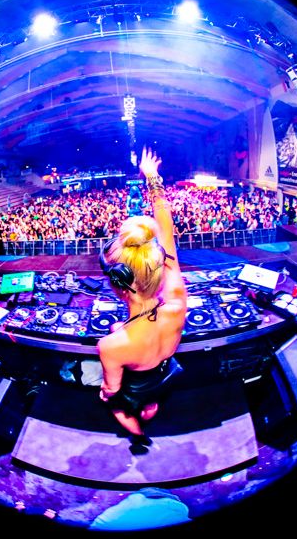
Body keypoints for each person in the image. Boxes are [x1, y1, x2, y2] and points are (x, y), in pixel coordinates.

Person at [98, 147, 187, 453]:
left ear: (119, 285)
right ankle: (150, 412)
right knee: (151, 402)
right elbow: (167, 234)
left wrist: (106, 393)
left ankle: (139, 436)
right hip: (164, 375)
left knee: (115, 405)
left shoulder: (111, 345)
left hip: (136, 383)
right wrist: (153, 178)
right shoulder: (177, 304)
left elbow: (111, 388)